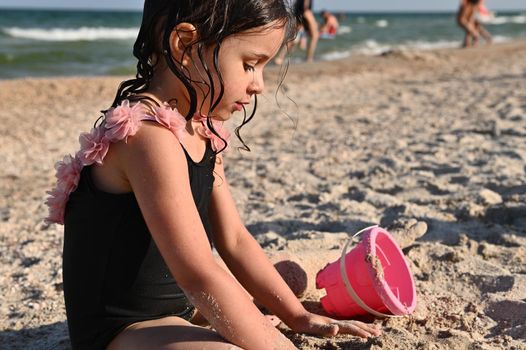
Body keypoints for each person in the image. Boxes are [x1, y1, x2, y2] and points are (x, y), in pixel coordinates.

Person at [45, 1, 382, 349]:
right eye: (250, 65)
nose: (259, 86)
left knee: (288, 281)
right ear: (185, 45)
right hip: (125, 329)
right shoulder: (146, 137)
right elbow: (198, 274)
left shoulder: (201, 129)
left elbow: (234, 238)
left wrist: (298, 317)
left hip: (182, 307)